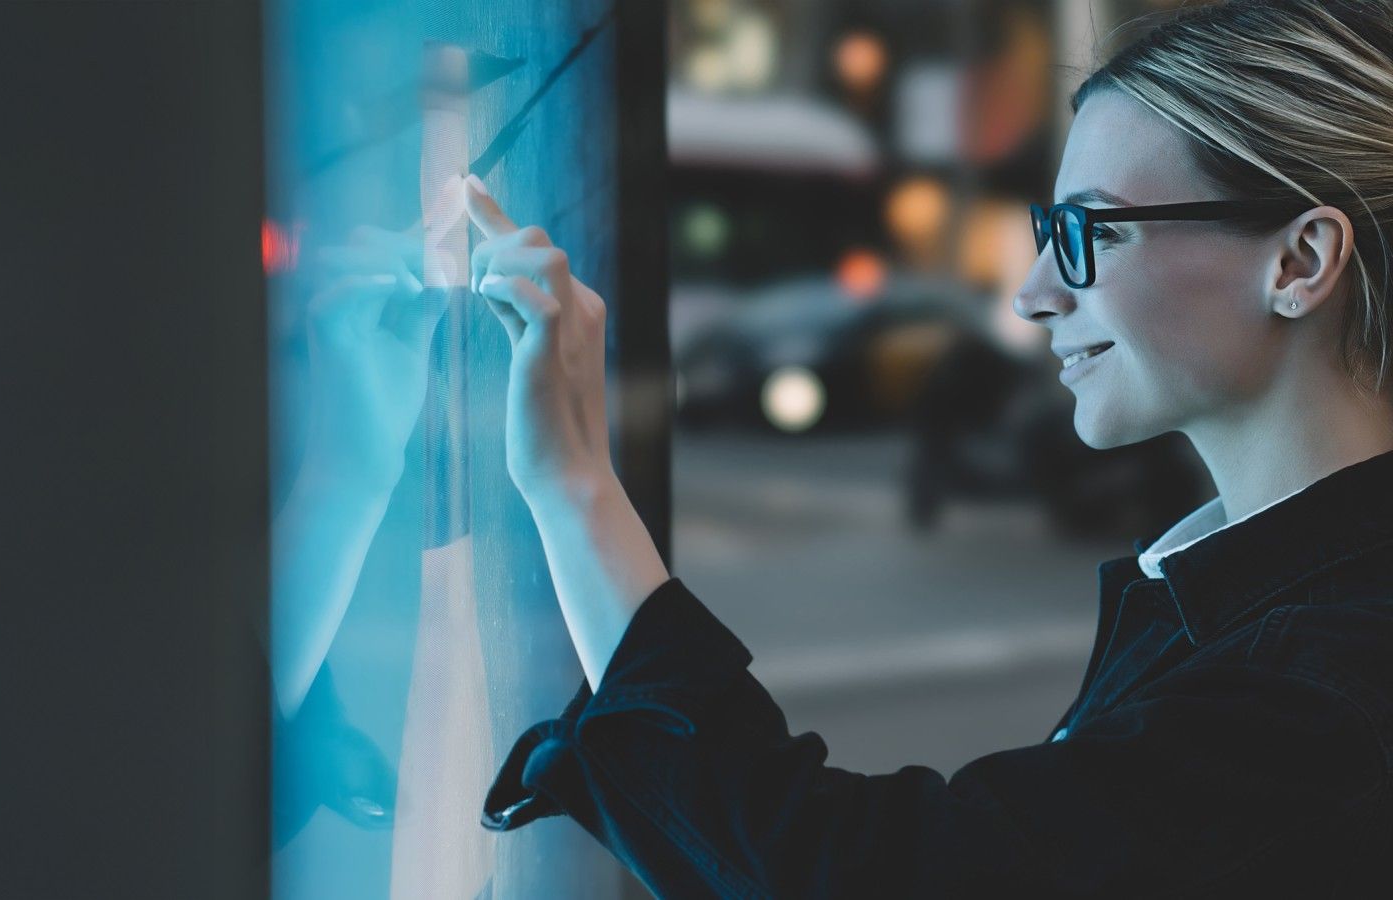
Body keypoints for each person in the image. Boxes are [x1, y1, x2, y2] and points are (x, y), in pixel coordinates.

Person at [466, 2, 1393, 896]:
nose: (1033, 293)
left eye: (1084, 233)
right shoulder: (1262, 613)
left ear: (1301, 263)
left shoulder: (1324, 686)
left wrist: (574, 481)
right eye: (1044, 233)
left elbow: (859, 875)